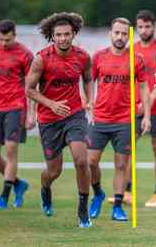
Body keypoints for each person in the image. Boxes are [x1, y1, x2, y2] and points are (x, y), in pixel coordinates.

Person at [25, 12, 92, 227]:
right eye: (59, 35)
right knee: (54, 171)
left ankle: (83, 209)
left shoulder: (82, 57)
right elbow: (29, 90)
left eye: (67, 34)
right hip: (48, 119)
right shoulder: (41, 58)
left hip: (74, 115)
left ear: (74, 34)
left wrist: (89, 101)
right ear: (52, 37)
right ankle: (45, 189)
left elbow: (88, 79)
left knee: (82, 160)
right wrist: (52, 104)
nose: (63, 38)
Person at [87, 17, 151, 221]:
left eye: (124, 33)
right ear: (110, 33)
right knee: (90, 161)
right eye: (117, 32)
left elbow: (144, 87)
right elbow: (89, 82)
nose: (120, 37)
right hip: (100, 118)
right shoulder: (98, 57)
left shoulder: (136, 59)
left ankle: (117, 205)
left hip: (125, 119)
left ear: (129, 35)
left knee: (121, 165)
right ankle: (97, 194)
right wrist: (88, 102)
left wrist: (147, 115)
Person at [0, 19, 34, 209]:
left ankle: (4, 196)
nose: (3, 43)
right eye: (1, 39)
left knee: (10, 151)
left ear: (14, 36)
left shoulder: (25, 54)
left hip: (16, 107)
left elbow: (32, 86)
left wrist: (32, 113)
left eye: (7, 40)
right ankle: (19, 184)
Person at [134, 10, 156, 207]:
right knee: (127, 148)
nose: (144, 30)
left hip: (154, 109)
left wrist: (151, 105)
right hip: (134, 108)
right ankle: (127, 191)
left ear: (154, 27)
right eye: (140, 26)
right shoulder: (132, 49)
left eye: (147, 26)